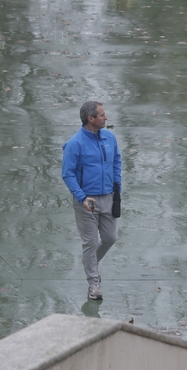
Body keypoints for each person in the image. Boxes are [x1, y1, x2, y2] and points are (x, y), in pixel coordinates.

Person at [62, 101, 122, 300]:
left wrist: (117, 188)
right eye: (102, 115)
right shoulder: (75, 144)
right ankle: (93, 284)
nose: (106, 118)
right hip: (86, 202)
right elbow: (68, 174)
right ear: (91, 119)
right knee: (90, 242)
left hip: (109, 197)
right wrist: (81, 197)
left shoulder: (109, 138)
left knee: (110, 238)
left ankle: (90, 263)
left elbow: (116, 162)